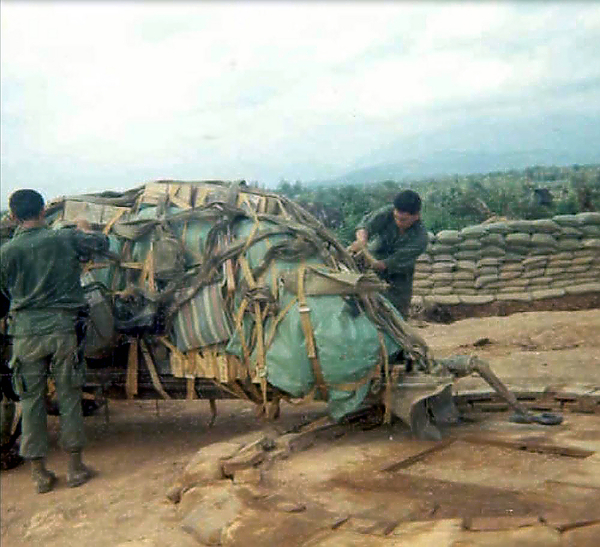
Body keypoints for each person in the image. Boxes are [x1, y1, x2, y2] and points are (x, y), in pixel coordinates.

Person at [0, 189, 109, 493]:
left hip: (25, 335)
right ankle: (75, 469)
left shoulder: (7, 252)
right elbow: (103, 245)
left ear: (12, 217)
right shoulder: (65, 238)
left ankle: (40, 474)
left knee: (31, 401)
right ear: (44, 211)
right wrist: (84, 229)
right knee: (69, 396)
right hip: (62, 331)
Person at [349, 189, 428, 318]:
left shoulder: (420, 239)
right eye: (396, 217)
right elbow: (364, 226)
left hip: (398, 282)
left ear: (416, 216)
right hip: (372, 267)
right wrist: (362, 240)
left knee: (395, 317)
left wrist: (369, 260)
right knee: (358, 307)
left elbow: (384, 265)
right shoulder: (388, 212)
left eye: (403, 220)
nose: (398, 222)